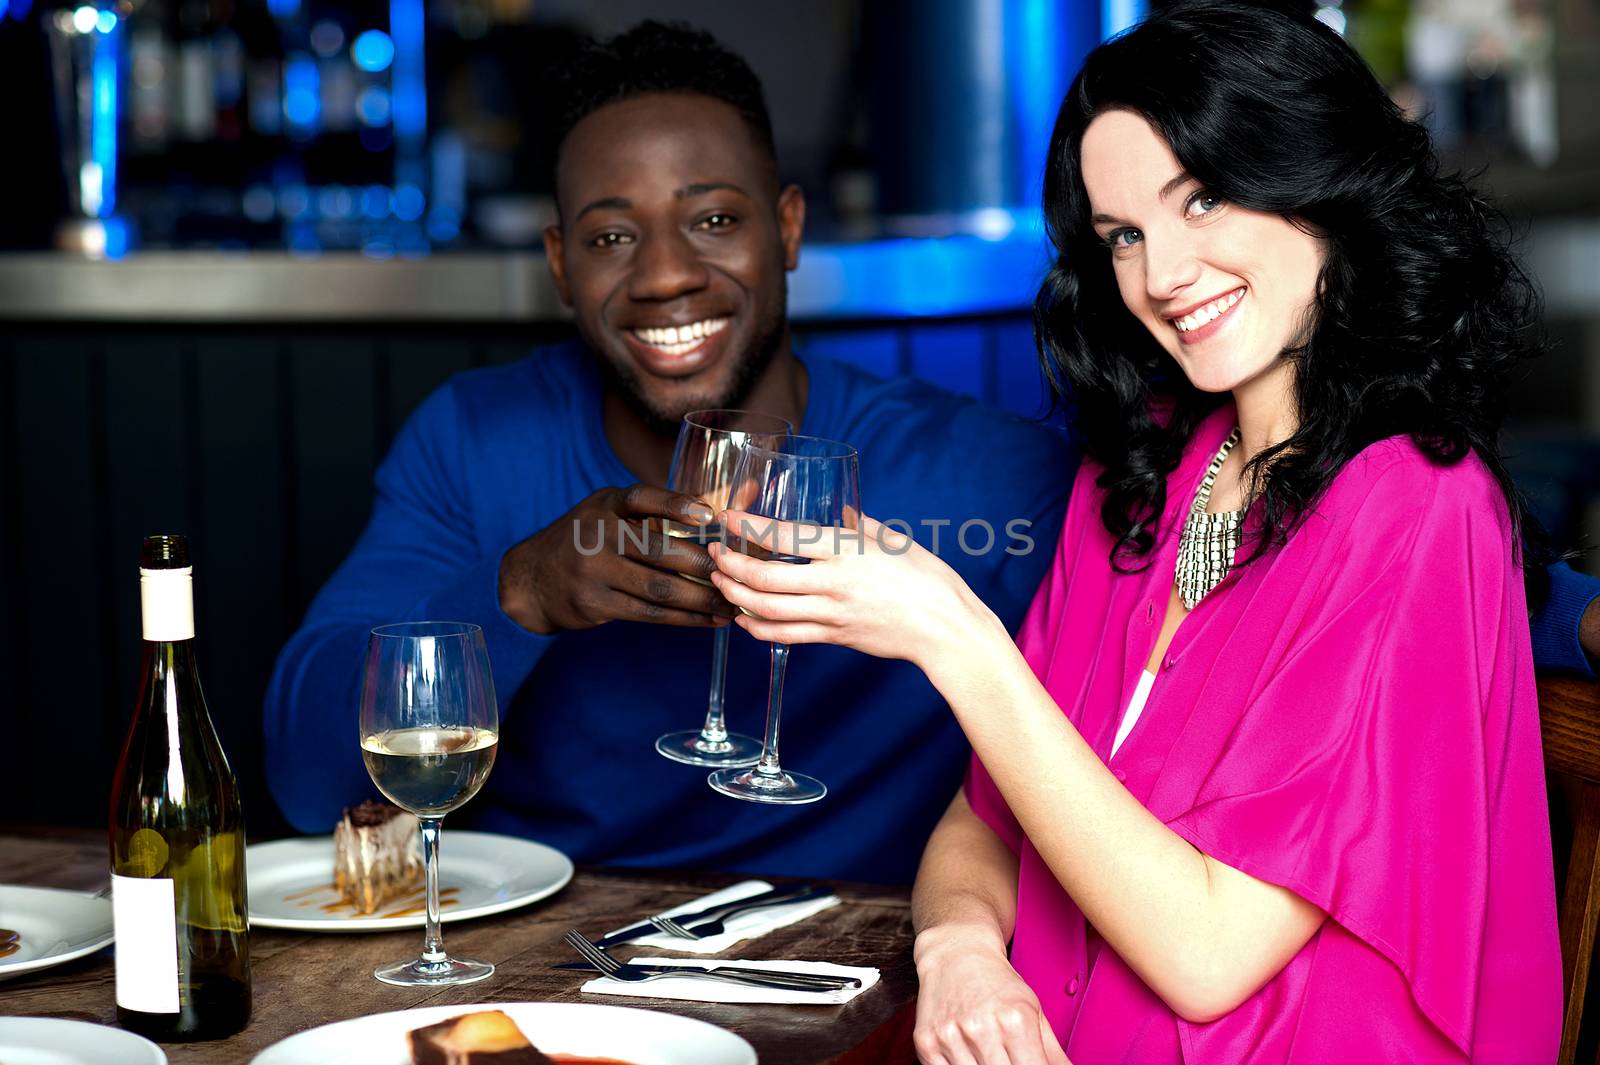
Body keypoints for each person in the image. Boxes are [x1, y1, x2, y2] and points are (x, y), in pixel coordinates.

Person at [707, 3, 1568, 1060]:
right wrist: (963, 956)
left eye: (1201, 198)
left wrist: (950, 631)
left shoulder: (1416, 506)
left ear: (1320, 181)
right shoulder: (1150, 475)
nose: (1161, 275)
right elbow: (983, 824)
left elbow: (1205, 956)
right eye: (1123, 235)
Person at [261, 22, 1075, 883]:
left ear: (789, 230)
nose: (663, 276)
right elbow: (307, 781)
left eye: (715, 220)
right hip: (561, 966)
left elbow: (1126, 770)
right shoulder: (476, 438)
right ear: (561, 264)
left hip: (863, 964)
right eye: (612, 237)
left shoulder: (988, 475)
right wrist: (522, 592)